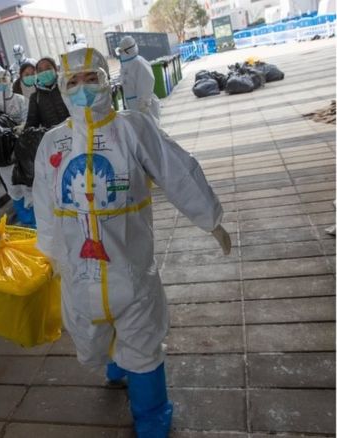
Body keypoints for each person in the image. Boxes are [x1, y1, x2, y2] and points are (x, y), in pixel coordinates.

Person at [32, 47, 232, 437]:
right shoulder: (52, 145)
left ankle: (152, 414)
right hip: (78, 271)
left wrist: (211, 219)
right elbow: (44, 206)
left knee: (141, 343)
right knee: (91, 338)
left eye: (91, 78)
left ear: (107, 82)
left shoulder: (134, 129)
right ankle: (113, 363)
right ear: (61, 88)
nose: (82, 89)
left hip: (131, 270)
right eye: (72, 82)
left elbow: (179, 172)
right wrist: (51, 257)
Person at [0, 71, 34, 227]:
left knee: (29, 184)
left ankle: (36, 217)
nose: (1, 83)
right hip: (3, 156)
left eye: (4, 79)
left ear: (10, 80)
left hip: (23, 151)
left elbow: (29, 118)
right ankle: (25, 218)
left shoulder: (21, 100)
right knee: (12, 186)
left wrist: (22, 127)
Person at [118, 36, 160, 122]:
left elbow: (146, 82)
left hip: (143, 106)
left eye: (121, 51)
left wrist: (143, 103)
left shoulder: (139, 62)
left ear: (127, 50)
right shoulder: (126, 64)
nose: (121, 53)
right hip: (133, 106)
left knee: (150, 129)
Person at [25, 57, 69, 129]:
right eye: (40, 70)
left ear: (55, 69)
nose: (44, 72)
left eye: (48, 68)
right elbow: (31, 124)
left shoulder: (67, 87)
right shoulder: (35, 97)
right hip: (54, 138)